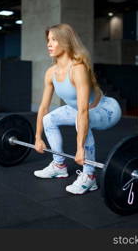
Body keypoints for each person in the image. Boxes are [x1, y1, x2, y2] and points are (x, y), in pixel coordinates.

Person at [33, 23, 122, 195]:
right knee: (48, 119)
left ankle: (89, 177)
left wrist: (80, 148)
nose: (49, 44)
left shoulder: (78, 69)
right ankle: (59, 165)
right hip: (80, 110)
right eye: (48, 40)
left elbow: (83, 112)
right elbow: (43, 107)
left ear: (65, 42)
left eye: (54, 40)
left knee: (79, 120)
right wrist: (38, 137)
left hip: (106, 110)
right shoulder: (51, 72)